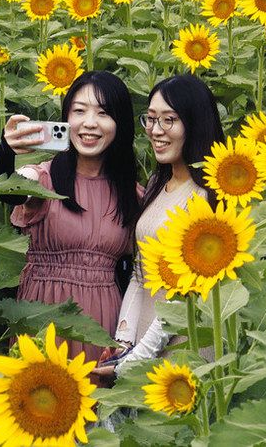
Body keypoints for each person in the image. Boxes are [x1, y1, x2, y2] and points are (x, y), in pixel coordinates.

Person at [0, 71, 142, 367]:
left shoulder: (132, 195)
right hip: (42, 316)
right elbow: (10, 192)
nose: (89, 123)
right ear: (65, 119)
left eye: (103, 113)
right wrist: (5, 150)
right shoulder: (43, 178)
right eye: (79, 111)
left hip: (102, 324)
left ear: (120, 124)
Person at [96, 73, 224, 376]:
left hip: (183, 345)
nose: (156, 130)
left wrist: (133, 362)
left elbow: (184, 297)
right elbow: (141, 275)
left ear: (195, 123)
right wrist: (124, 340)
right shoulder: (158, 183)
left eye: (169, 120)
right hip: (144, 340)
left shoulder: (206, 197)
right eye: (151, 119)